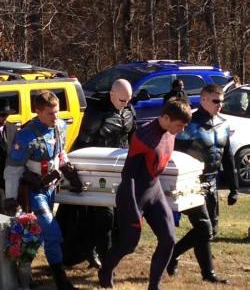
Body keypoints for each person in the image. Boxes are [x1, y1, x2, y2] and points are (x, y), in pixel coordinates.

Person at [98, 98, 192, 290]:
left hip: (153, 191)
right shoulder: (144, 136)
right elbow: (128, 176)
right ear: (166, 118)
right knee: (128, 244)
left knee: (168, 239)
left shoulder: (169, 131)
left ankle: (154, 286)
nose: (182, 129)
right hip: (132, 195)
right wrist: (133, 209)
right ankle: (105, 270)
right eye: (179, 125)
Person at [4, 91, 82, 290]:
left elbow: (60, 152)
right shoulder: (26, 135)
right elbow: (13, 170)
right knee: (51, 232)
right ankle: (59, 278)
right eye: (50, 113)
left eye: (57, 112)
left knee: (39, 235)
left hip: (51, 188)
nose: (55, 117)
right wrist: (11, 198)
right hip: (34, 192)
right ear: (38, 111)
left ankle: (26, 274)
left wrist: (70, 173)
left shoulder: (59, 126)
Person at [56, 79, 136, 267]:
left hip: (120, 168)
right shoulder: (96, 113)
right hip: (97, 168)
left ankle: (106, 252)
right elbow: (84, 143)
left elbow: (133, 138)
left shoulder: (129, 110)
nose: (126, 104)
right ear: (112, 95)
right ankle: (98, 254)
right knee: (102, 215)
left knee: (117, 215)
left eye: (129, 100)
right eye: (122, 100)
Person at [167, 84, 239, 284]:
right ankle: (177, 257)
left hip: (211, 183)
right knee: (203, 228)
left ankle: (205, 273)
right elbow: (174, 154)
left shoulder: (224, 123)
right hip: (190, 183)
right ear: (203, 99)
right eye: (216, 101)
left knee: (209, 231)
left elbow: (228, 157)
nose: (220, 105)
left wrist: (233, 188)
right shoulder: (189, 124)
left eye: (222, 101)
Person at [0, 98, 16, 213]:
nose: (4, 118)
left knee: (11, 211)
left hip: (10, 178)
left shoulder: (12, 128)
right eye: (2, 115)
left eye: (6, 115)